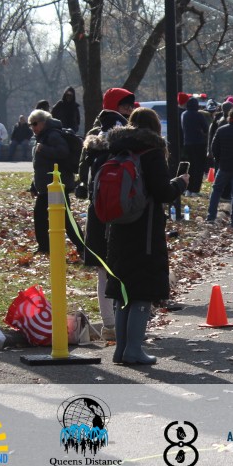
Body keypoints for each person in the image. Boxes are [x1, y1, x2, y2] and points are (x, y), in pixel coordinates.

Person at [104, 108, 189, 365]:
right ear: (155, 128)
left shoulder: (118, 149)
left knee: (123, 292)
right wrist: (181, 182)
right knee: (142, 291)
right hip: (145, 229)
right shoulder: (152, 152)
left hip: (118, 227)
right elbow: (162, 192)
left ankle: (121, 350)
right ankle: (133, 349)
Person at [76, 87, 136, 341]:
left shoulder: (92, 141)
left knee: (104, 269)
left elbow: (83, 176)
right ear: (115, 107)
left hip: (97, 211)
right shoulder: (124, 140)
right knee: (118, 268)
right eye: (125, 106)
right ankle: (118, 322)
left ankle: (110, 323)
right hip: (119, 213)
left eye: (131, 106)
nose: (129, 110)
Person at [28, 108, 85, 256]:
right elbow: (40, 166)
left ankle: (82, 246)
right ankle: (44, 247)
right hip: (46, 186)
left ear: (43, 122)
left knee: (65, 218)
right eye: (30, 125)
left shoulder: (53, 135)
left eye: (35, 123)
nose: (33, 127)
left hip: (57, 186)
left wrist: (44, 149)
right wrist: (34, 185)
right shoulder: (42, 136)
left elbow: (62, 152)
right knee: (40, 216)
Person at [180, 97, 209, 196]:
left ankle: (188, 189)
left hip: (187, 143)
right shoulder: (199, 115)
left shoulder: (183, 114)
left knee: (190, 167)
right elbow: (206, 128)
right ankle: (195, 190)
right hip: (199, 143)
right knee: (198, 167)